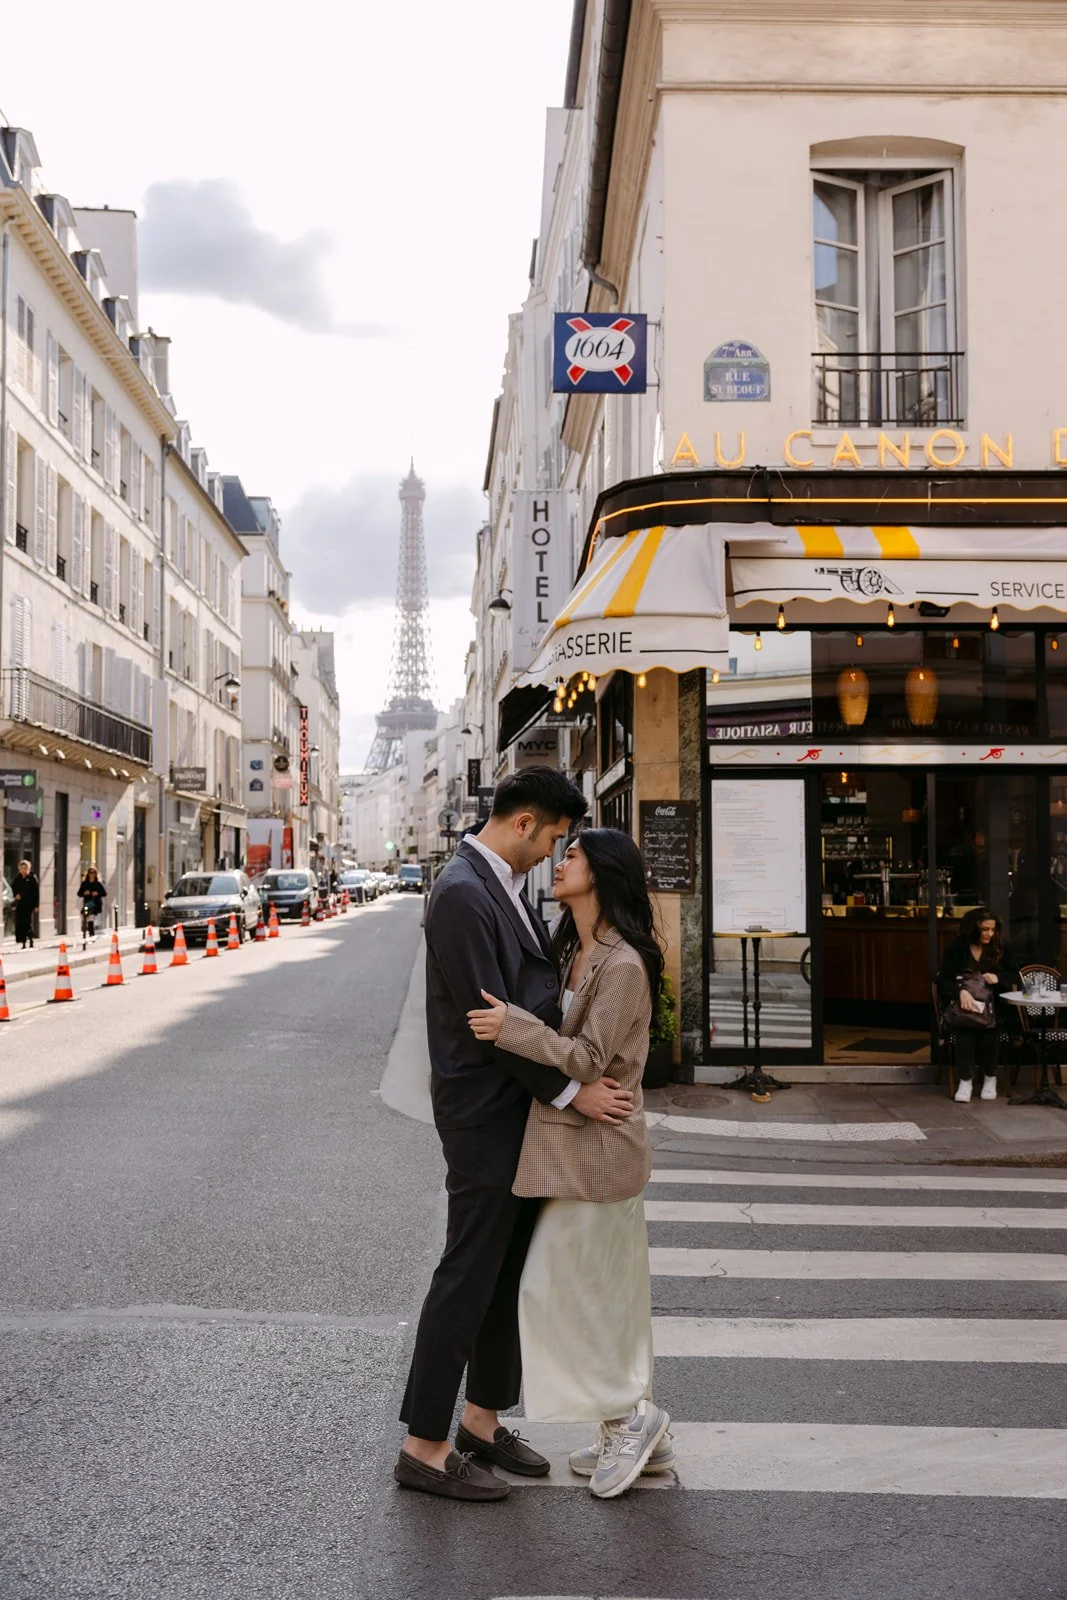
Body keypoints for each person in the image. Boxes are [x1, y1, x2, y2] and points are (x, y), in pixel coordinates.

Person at [395, 768, 634, 1504]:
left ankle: (481, 1418)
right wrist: (574, 1091)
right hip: (483, 1112)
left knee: (501, 1276)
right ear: (526, 822)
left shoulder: (489, 883)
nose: (553, 853)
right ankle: (423, 1445)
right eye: (556, 837)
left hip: (511, 1111)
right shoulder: (464, 891)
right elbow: (488, 1023)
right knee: (468, 1271)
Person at [468, 828, 671, 1499]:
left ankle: (627, 1419)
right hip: (574, 1151)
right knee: (592, 1293)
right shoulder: (576, 952)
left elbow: (586, 1061)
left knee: (569, 1292)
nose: (560, 862)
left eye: (574, 855)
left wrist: (514, 1029)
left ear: (603, 875)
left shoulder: (621, 966)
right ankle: (636, 1425)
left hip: (600, 1154)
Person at [937, 906, 1018, 1104]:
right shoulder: (957, 948)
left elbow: (1015, 974)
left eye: (992, 929)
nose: (990, 934)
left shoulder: (1001, 946)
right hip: (964, 1008)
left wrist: (998, 977)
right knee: (965, 1033)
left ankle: (990, 1078)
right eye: (985, 929)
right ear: (973, 929)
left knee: (989, 1033)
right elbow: (942, 980)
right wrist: (960, 991)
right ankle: (965, 1081)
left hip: (993, 1008)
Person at [12, 859, 39, 949]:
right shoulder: (17, 878)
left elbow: (36, 892)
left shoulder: (31, 878)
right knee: (20, 922)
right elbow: (14, 888)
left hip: (29, 904)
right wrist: (16, 895)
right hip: (20, 904)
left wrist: (36, 905)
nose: (23, 870)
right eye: (21, 868)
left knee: (27, 922)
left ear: (28, 869)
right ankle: (23, 941)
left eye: (25, 868)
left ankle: (30, 939)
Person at [77, 866, 107, 938]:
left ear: (95, 874)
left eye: (93, 873)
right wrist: (84, 893)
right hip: (87, 903)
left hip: (95, 904)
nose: (92, 874)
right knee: (87, 918)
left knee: (91, 918)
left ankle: (91, 935)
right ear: (88, 874)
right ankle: (89, 934)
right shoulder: (84, 884)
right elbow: (79, 893)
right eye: (90, 872)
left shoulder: (98, 884)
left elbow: (104, 893)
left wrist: (97, 893)